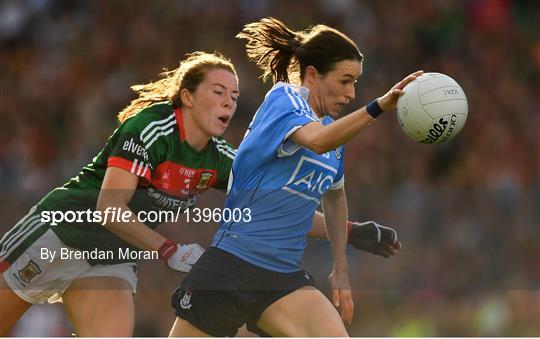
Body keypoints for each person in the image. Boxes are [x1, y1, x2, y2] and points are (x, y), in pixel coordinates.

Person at [0, 51, 399, 336]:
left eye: (234, 96)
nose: (228, 102)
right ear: (187, 97)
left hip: (111, 260)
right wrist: (168, 249)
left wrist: (351, 230)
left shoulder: (222, 160)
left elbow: (272, 212)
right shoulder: (151, 128)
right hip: (58, 237)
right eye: (217, 91)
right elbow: (109, 209)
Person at [169, 18, 419, 337]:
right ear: (313, 74)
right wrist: (380, 106)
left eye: (355, 83)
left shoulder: (333, 133)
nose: (352, 93)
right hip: (231, 266)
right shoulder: (284, 100)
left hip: (282, 277)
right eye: (344, 81)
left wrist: (341, 264)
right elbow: (316, 140)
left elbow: (334, 196)